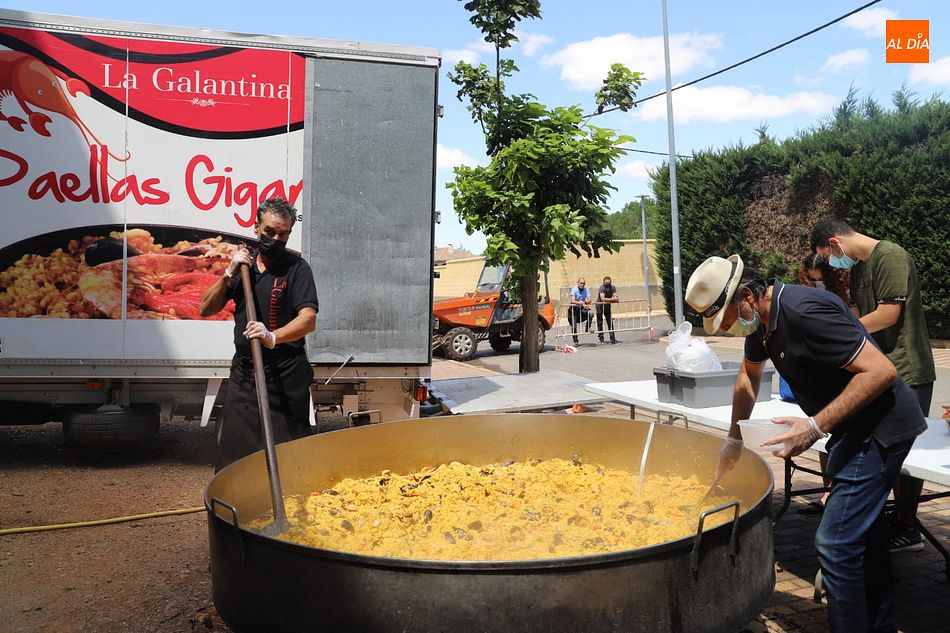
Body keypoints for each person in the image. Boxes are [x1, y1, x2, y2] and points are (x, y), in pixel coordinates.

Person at [685, 254, 925, 633]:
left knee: (835, 544)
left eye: (728, 319)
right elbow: (747, 378)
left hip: (882, 427)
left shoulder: (804, 310)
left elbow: (882, 371)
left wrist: (812, 427)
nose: (730, 328)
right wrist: (733, 439)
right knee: (866, 539)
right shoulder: (761, 322)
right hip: (852, 430)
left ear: (747, 295)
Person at [810, 219, 936, 553]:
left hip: (907, 370)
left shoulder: (891, 256)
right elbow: (855, 313)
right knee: (878, 453)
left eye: (828, 255)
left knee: (901, 452)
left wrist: (841, 335)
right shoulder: (862, 268)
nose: (833, 263)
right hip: (878, 370)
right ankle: (876, 526)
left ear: (836, 243)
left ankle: (907, 527)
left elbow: (887, 315)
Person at [200, 196, 318, 472]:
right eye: (270, 232)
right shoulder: (244, 269)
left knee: (289, 451)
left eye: (283, 234)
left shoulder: (297, 269)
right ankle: (237, 506)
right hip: (246, 372)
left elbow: (308, 319)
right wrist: (227, 273)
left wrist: (272, 336)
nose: (276, 239)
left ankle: (291, 505)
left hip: (286, 373)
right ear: (256, 228)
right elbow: (206, 308)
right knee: (236, 449)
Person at [793, 252, 851, 514]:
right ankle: (828, 492)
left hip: (840, 361)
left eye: (821, 279)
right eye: (812, 279)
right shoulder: (801, 291)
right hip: (818, 362)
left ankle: (838, 495)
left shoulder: (843, 288)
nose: (816, 283)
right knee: (821, 429)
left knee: (838, 431)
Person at [567, 277, 592, 346]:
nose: (582, 285)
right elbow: (573, 300)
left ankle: (587, 328)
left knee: (590, 313)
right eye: (581, 283)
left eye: (584, 283)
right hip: (573, 310)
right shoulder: (574, 289)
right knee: (574, 327)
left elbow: (589, 300)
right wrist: (580, 303)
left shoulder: (586, 289)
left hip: (581, 309)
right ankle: (576, 341)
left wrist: (585, 302)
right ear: (578, 283)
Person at [596, 276, 620, 344]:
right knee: (600, 322)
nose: (608, 284)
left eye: (609, 283)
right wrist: (613, 299)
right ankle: (601, 339)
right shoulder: (602, 288)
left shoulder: (612, 287)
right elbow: (603, 299)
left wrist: (613, 299)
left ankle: (612, 338)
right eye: (606, 283)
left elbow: (616, 297)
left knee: (610, 321)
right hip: (599, 305)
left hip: (607, 306)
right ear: (603, 283)